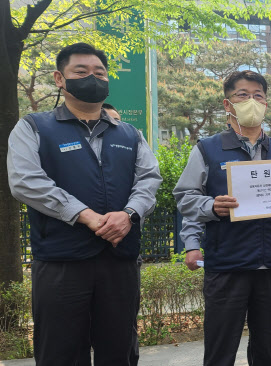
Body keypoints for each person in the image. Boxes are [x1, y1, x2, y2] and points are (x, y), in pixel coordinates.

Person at [7, 42, 162, 366]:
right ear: (60, 79)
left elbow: (149, 179)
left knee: (119, 350)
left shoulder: (130, 133)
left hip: (119, 262)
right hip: (61, 262)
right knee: (60, 353)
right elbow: (25, 180)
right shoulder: (34, 127)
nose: (92, 78)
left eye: (99, 73)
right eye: (81, 71)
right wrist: (85, 215)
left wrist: (129, 214)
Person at [173, 70, 271, 366]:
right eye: (243, 95)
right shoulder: (207, 149)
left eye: (258, 96)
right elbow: (184, 197)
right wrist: (212, 206)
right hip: (227, 264)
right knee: (220, 350)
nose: (252, 101)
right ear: (228, 104)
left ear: (266, 103)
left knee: (267, 349)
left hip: (270, 266)